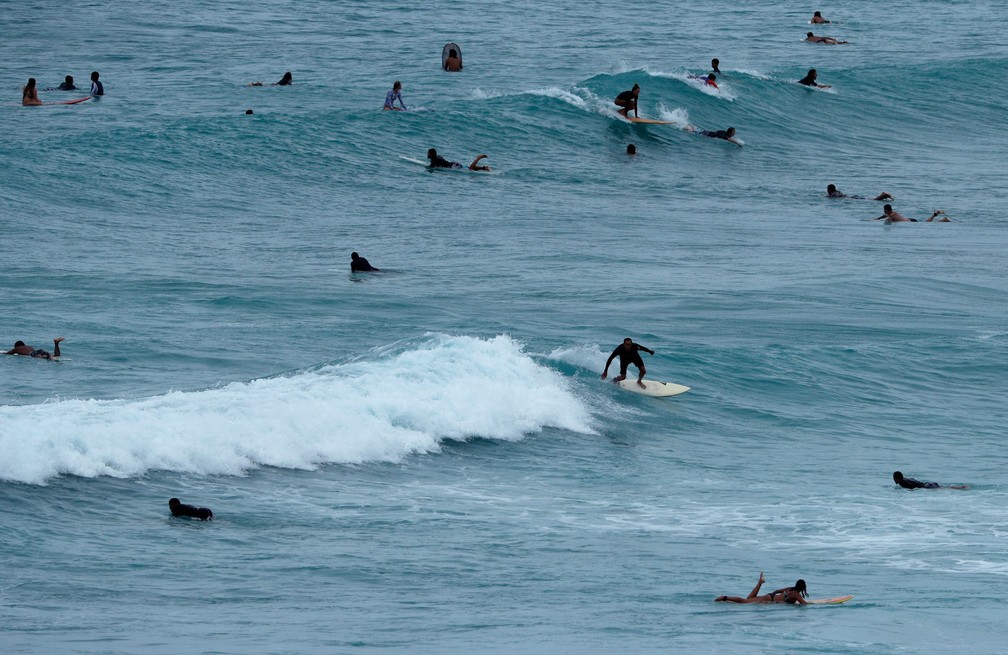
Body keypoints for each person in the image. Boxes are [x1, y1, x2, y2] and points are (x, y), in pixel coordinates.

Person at [716, 572, 808, 605]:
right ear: (803, 588)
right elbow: (804, 604)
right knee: (744, 602)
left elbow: (777, 591)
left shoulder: (790, 588)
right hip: (769, 601)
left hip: (770, 597)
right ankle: (725, 597)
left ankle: (760, 582)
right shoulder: (797, 594)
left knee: (749, 598)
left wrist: (773, 594)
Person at [426, 148, 491, 171]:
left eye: (428, 153)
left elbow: (431, 166)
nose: (427, 154)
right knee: (469, 168)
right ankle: (483, 168)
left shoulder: (433, 160)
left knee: (470, 169)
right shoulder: (437, 156)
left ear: (431, 154)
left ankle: (479, 158)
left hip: (454, 166)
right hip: (454, 164)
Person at [893, 471, 968, 490]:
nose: (893, 480)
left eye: (894, 478)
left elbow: (912, 487)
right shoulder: (904, 479)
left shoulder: (902, 482)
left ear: (897, 478)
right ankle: (961, 487)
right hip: (927, 484)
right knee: (944, 487)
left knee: (945, 488)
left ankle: (961, 488)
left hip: (927, 487)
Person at [872, 205, 946, 223]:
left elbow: (886, 220)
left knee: (926, 223)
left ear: (886, 210)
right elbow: (884, 216)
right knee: (925, 222)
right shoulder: (892, 213)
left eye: (884, 210)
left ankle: (937, 216)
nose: (884, 211)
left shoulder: (892, 215)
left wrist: (875, 221)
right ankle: (941, 219)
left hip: (911, 222)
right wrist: (877, 218)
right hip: (909, 219)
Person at [827, 184, 892, 201]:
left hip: (851, 198)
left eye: (827, 189)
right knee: (870, 199)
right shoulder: (838, 192)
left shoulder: (833, 194)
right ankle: (883, 196)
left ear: (829, 190)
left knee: (873, 200)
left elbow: (829, 197)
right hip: (851, 197)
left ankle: (882, 195)